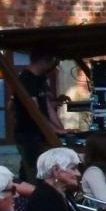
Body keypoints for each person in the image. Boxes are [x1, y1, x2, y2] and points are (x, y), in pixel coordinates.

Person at [10, 53, 67, 182]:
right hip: (28, 134)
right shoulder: (26, 79)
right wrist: (53, 129)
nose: (54, 65)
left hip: (40, 135)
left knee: (37, 169)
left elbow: (46, 106)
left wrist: (60, 129)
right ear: (45, 60)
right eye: (54, 61)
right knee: (33, 171)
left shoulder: (40, 78)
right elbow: (34, 109)